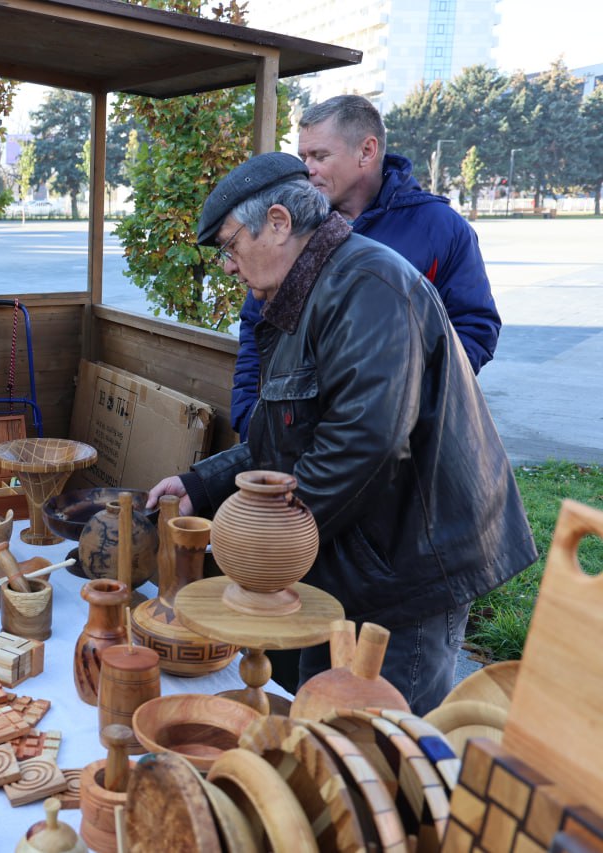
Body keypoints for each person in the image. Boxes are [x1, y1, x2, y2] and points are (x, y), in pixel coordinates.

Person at [147, 152, 535, 715]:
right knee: (317, 720)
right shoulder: (296, 294)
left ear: (279, 223)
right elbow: (285, 435)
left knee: (381, 753)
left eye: (231, 245)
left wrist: (265, 539)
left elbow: (364, 444)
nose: (229, 266)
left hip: (403, 569)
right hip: (347, 555)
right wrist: (200, 485)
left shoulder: (369, 286)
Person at [230, 95, 501, 439]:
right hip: (296, 440)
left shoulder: (441, 228)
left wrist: (409, 402)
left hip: (399, 445)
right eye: (303, 157)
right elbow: (258, 323)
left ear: (367, 151)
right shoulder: (294, 226)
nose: (307, 168)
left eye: (320, 156)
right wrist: (247, 417)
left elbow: (475, 327)